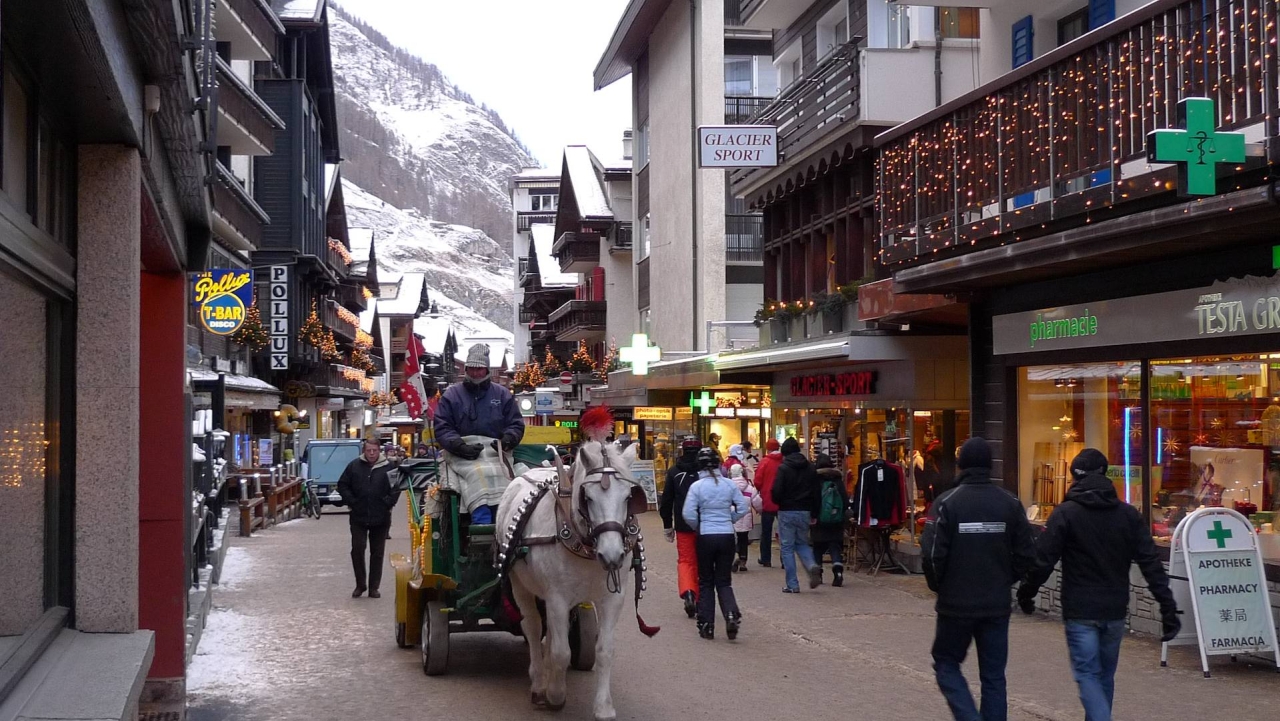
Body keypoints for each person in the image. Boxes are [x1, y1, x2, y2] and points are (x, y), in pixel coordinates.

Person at [1017, 449, 1180, 721]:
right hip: (1114, 609)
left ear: (1075, 477)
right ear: (1105, 475)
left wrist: (1026, 593)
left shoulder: (1066, 513)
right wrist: (1168, 608)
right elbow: (1150, 563)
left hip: (1080, 609)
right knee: (1104, 676)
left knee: (1087, 674)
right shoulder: (1127, 515)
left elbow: (1043, 560)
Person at [921, 437, 1035, 721]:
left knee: (946, 663)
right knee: (994, 676)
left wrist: (940, 586)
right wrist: (1006, 579)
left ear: (961, 465)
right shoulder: (1010, 503)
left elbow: (931, 555)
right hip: (996, 604)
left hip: (955, 604)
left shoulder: (946, 503)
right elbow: (1026, 553)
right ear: (989, 465)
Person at [433, 343, 525, 524]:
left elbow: (515, 424)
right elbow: (443, 426)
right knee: (478, 474)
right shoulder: (452, 395)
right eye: (472, 369)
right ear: (466, 369)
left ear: (486, 370)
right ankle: (481, 520)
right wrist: (459, 446)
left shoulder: (502, 394)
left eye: (479, 369)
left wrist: (508, 440)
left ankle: (504, 518)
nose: (475, 373)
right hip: (461, 450)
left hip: (495, 449)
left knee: (503, 475)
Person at [683, 447, 749, 640]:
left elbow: (687, 514)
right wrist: (731, 518)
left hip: (706, 535)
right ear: (719, 464)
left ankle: (707, 624)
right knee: (724, 580)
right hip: (727, 535)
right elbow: (743, 506)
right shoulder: (728, 484)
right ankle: (730, 614)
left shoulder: (697, 486)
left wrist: (699, 524)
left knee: (705, 582)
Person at [337, 437, 399, 598]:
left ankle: (374, 587)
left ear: (379, 450)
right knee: (357, 549)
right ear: (364, 450)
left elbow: (396, 488)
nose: (371, 453)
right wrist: (352, 501)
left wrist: (387, 503)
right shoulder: (354, 466)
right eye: (368, 450)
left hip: (381, 517)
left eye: (375, 450)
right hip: (359, 515)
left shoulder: (389, 467)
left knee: (377, 553)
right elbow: (342, 485)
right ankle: (360, 584)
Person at [659, 437, 705, 618]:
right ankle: (702, 597)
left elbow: (666, 501)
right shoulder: (707, 472)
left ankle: (688, 592)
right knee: (703, 561)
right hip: (705, 525)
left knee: (686, 561)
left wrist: (667, 525)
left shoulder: (674, 472)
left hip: (683, 524)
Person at [771, 437, 823, 593]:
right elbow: (816, 492)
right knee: (802, 543)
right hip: (805, 510)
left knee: (787, 548)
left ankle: (792, 584)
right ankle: (812, 565)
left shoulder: (783, 468)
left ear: (784, 453)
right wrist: (814, 512)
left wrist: (778, 501)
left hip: (787, 510)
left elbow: (777, 491)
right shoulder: (810, 468)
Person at [811, 453, 849, 587]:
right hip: (836, 520)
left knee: (817, 547)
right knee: (834, 546)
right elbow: (844, 500)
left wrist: (813, 515)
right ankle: (838, 572)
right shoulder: (837, 479)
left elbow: (813, 499)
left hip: (819, 519)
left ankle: (818, 574)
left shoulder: (816, 479)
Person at [754, 438, 783, 567]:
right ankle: (785, 559)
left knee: (766, 531)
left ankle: (766, 558)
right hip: (782, 502)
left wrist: (762, 490)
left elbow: (758, 481)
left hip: (767, 500)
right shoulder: (784, 461)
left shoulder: (764, 462)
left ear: (768, 448)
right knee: (783, 532)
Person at [728, 464, 762, 572]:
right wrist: (760, 510)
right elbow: (757, 501)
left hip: (731, 517)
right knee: (743, 539)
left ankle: (733, 557)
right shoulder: (749, 487)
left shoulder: (727, 487)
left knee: (731, 540)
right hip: (745, 517)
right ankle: (743, 561)